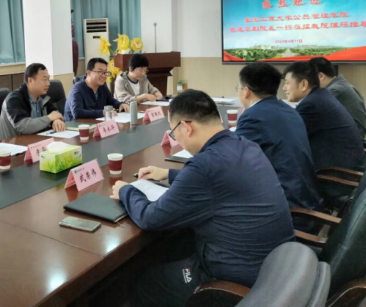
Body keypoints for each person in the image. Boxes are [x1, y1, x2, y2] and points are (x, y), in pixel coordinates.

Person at [110, 90, 294, 307]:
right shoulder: (245, 144)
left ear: (186, 127)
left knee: (145, 281)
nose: (176, 139)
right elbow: (222, 182)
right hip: (275, 267)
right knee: (176, 245)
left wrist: (126, 191)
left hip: (236, 280)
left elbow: (151, 217)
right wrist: (168, 174)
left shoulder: (204, 166)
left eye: (174, 133)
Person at [235, 62, 322, 213]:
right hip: (306, 198)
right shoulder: (288, 110)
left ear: (246, 91)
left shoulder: (254, 116)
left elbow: (230, 157)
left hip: (287, 207)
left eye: (239, 88)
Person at [283, 61, 366, 173]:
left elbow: (287, 137)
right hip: (349, 166)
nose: (284, 88)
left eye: (287, 83)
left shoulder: (311, 104)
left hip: (337, 176)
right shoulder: (321, 96)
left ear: (303, 84)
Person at [0, 63, 66, 139]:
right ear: (30, 80)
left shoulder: (42, 96)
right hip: (12, 144)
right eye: (44, 80)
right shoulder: (14, 99)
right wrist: (50, 118)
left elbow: (55, 113)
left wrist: (56, 120)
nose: (48, 83)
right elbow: (24, 127)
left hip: (36, 141)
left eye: (48, 79)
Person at [309, 57, 366, 142]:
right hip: (355, 136)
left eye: (310, 79)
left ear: (321, 76)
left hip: (350, 141)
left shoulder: (334, 90)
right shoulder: (341, 84)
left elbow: (313, 114)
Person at [64, 58, 129, 121]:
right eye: (100, 72)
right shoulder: (77, 89)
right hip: (76, 126)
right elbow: (77, 113)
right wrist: (103, 112)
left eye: (105, 72)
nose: (104, 75)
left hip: (95, 123)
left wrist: (120, 104)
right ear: (89, 73)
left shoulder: (102, 86)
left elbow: (111, 101)